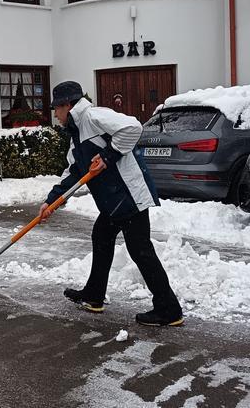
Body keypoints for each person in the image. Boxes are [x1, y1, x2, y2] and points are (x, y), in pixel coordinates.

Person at [40, 81, 184, 327]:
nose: (55, 114)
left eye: (56, 108)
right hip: (113, 201)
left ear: (67, 105)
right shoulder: (77, 134)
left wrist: (108, 155)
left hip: (129, 195)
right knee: (102, 236)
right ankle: (94, 296)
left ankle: (169, 309)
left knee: (140, 249)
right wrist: (51, 201)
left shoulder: (94, 117)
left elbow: (132, 127)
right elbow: (75, 171)